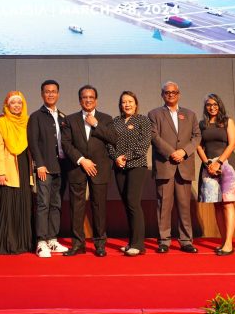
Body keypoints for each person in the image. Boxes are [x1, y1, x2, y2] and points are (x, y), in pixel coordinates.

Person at [61, 85, 117, 257]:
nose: (88, 100)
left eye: (91, 97)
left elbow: (113, 138)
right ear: (80, 100)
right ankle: (78, 244)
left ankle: (100, 244)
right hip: (77, 167)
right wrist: (81, 160)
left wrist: (96, 124)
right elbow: (66, 144)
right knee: (76, 207)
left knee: (99, 207)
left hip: (100, 169)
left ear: (96, 100)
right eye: (84, 97)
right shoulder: (70, 119)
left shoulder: (106, 118)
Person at [148, 81, 202, 254]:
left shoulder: (190, 114)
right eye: (167, 92)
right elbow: (154, 136)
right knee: (164, 205)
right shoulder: (154, 114)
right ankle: (164, 240)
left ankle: (186, 241)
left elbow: (197, 136)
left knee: (185, 206)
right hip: (165, 165)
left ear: (179, 94)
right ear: (162, 95)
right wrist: (172, 153)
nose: (170, 94)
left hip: (184, 166)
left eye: (174, 92)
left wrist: (184, 152)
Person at [195, 93, 235, 256]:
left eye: (215, 104)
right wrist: (207, 163)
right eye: (209, 104)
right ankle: (224, 241)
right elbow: (198, 146)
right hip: (209, 166)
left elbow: (232, 144)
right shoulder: (202, 124)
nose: (212, 107)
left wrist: (219, 162)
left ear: (220, 105)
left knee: (227, 203)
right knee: (217, 204)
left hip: (227, 165)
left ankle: (229, 244)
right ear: (205, 107)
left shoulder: (227, 121)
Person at [28, 79, 70, 258]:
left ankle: (52, 239)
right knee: (43, 204)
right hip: (45, 168)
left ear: (58, 94)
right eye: (47, 91)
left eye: (53, 91)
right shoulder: (36, 116)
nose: (50, 94)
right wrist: (39, 164)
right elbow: (33, 142)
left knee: (56, 204)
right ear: (42, 94)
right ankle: (41, 242)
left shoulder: (63, 117)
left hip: (62, 167)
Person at [0, 91, 33, 254]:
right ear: (7, 105)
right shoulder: (2, 122)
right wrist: (0, 172)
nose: (16, 106)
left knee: (23, 204)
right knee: (8, 206)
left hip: (24, 167)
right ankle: (8, 244)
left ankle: (24, 243)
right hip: (8, 169)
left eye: (19, 103)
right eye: (13, 103)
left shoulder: (28, 121)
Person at [110, 91, 152, 257]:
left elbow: (144, 144)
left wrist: (125, 156)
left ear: (136, 103)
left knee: (133, 202)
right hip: (119, 166)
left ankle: (138, 244)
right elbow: (109, 143)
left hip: (137, 165)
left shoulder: (143, 120)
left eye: (130, 101)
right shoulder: (115, 121)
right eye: (124, 102)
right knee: (127, 203)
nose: (127, 104)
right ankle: (132, 242)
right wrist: (116, 157)